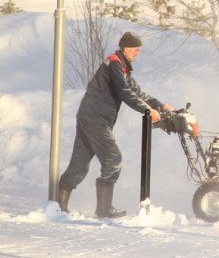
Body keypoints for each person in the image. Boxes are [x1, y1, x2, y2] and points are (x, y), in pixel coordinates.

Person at [57, 31, 174, 218]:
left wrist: (161, 106)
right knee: (113, 158)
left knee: (79, 165)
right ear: (126, 49)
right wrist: (147, 111)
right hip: (95, 119)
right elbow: (125, 92)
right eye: (136, 50)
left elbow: (137, 93)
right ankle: (103, 209)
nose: (138, 53)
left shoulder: (121, 67)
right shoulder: (115, 64)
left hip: (90, 117)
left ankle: (58, 207)